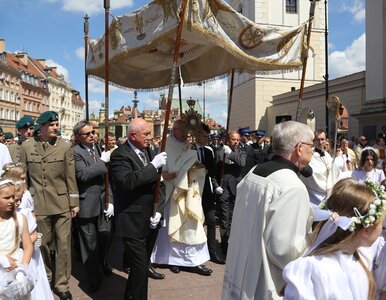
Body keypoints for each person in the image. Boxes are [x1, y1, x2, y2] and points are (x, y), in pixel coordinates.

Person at [222, 121, 314, 300]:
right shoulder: (292, 186)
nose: (314, 151)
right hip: (264, 282)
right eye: (311, 145)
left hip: (240, 269)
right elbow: (285, 250)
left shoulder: (255, 171)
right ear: (299, 148)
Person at [283, 178, 385, 299]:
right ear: (366, 230)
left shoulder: (358, 262)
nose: (383, 227)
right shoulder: (312, 269)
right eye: (381, 223)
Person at [20, 111, 79, 300]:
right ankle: (46, 277)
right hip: (38, 205)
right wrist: (22, 201)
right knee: (41, 243)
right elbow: (23, 176)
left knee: (63, 245)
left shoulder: (65, 146)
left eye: (57, 124)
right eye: (52, 125)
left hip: (62, 204)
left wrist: (74, 202)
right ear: (42, 127)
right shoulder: (27, 147)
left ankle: (62, 285)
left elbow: (71, 176)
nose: (56, 127)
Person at [109, 118, 167, 300]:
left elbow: (160, 183)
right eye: (146, 134)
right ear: (132, 135)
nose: (149, 137)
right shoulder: (119, 155)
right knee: (140, 265)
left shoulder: (148, 151)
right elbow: (128, 182)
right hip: (131, 220)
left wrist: (159, 209)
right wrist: (153, 166)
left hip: (150, 217)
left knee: (140, 267)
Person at [151, 119, 212, 276]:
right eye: (183, 131)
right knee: (172, 226)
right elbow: (158, 171)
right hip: (172, 192)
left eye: (187, 131)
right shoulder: (165, 145)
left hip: (188, 192)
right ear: (174, 130)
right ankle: (171, 260)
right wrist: (166, 175)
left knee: (191, 227)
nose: (187, 134)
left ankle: (193, 260)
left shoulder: (188, 145)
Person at [72, 121, 114, 293]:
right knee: (89, 244)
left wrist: (110, 200)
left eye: (93, 132)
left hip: (103, 202)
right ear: (78, 137)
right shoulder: (75, 152)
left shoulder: (98, 148)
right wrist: (102, 162)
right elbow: (82, 175)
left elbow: (107, 178)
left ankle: (103, 262)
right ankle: (93, 277)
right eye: (87, 133)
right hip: (87, 204)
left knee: (106, 235)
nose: (92, 135)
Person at [13, 181, 54, 300]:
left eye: (19, 199)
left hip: (24, 261)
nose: (17, 203)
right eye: (15, 199)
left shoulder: (23, 216)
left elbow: (30, 241)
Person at [193, 124, 225, 264]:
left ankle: (212, 252)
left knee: (211, 221)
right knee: (194, 222)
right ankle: (192, 253)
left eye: (207, 136)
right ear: (197, 135)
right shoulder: (189, 149)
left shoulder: (209, 150)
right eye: (204, 136)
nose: (207, 139)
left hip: (206, 190)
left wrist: (216, 186)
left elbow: (212, 171)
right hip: (192, 190)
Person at [0, 179, 34, 299]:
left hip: (17, 267)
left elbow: (28, 245)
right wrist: (1, 259)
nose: (11, 201)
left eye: (13, 197)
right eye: (6, 197)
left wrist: (22, 269)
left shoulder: (20, 218)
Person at [217, 130, 246, 254]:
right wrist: (216, 185)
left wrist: (231, 154)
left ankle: (233, 241)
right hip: (224, 188)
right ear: (228, 140)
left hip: (236, 188)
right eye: (233, 140)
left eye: (238, 140)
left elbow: (242, 163)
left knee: (234, 217)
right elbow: (215, 169)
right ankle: (224, 243)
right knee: (224, 217)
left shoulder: (241, 152)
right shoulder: (220, 152)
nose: (236, 142)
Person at [300, 129, 339, 205]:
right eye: (317, 140)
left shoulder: (327, 156)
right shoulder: (308, 154)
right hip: (311, 193)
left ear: (326, 140)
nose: (320, 142)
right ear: (313, 141)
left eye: (322, 139)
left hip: (326, 192)